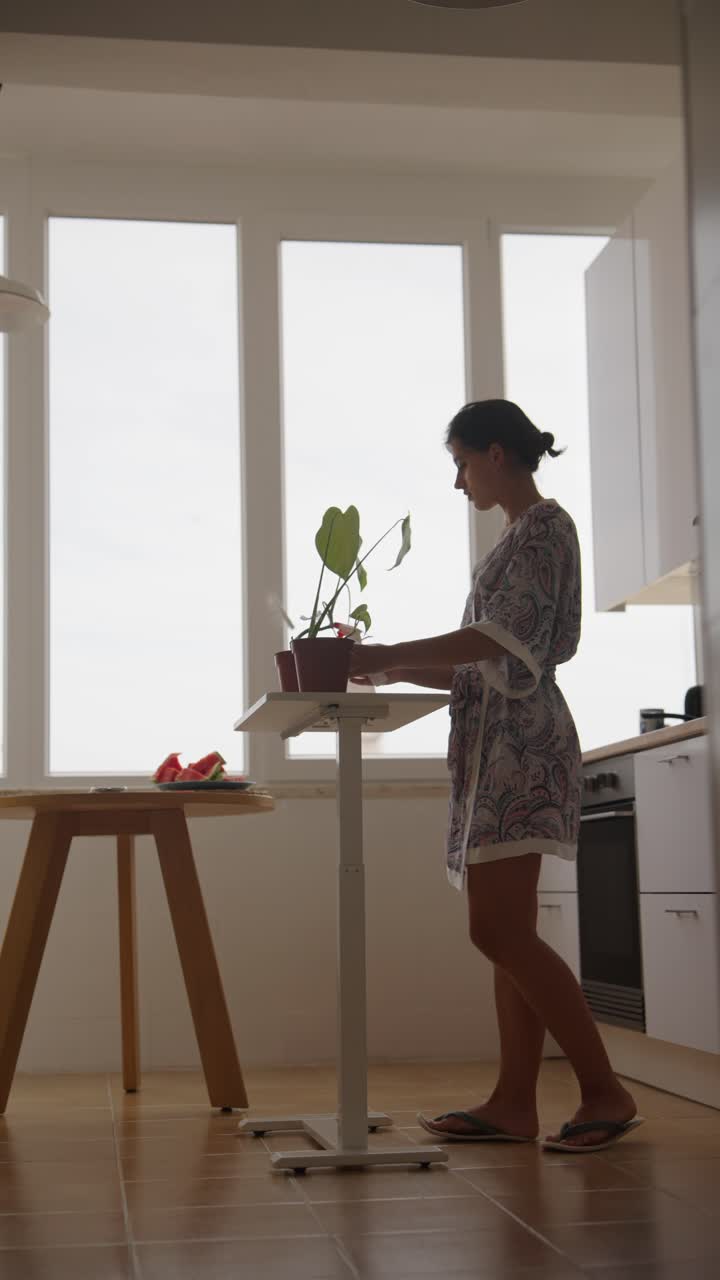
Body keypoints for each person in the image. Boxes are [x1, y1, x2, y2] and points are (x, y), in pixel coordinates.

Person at [349, 399, 642, 1154]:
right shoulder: (519, 537)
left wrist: (379, 655)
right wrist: (393, 667)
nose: (459, 483)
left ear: (495, 455)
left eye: (460, 463)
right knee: (504, 932)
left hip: (522, 749)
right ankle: (514, 1103)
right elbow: (483, 664)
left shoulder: (546, 530)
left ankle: (605, 1091)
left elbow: (497, 641)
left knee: (498, 929)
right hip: (497, 747)